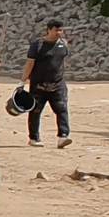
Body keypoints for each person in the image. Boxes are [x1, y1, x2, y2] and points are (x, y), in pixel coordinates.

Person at [22, 19, 72, 147]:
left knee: (62, 109)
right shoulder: (37, 45)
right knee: (35, 111)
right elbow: (30, 63)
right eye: (56, 30)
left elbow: (61, 62)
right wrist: (23, 80)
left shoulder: (63, 44)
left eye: (61, 30)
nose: (59, 33)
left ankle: (63, 136)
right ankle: (34, 138)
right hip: (39, 85)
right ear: (49, 30)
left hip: (57, 84)